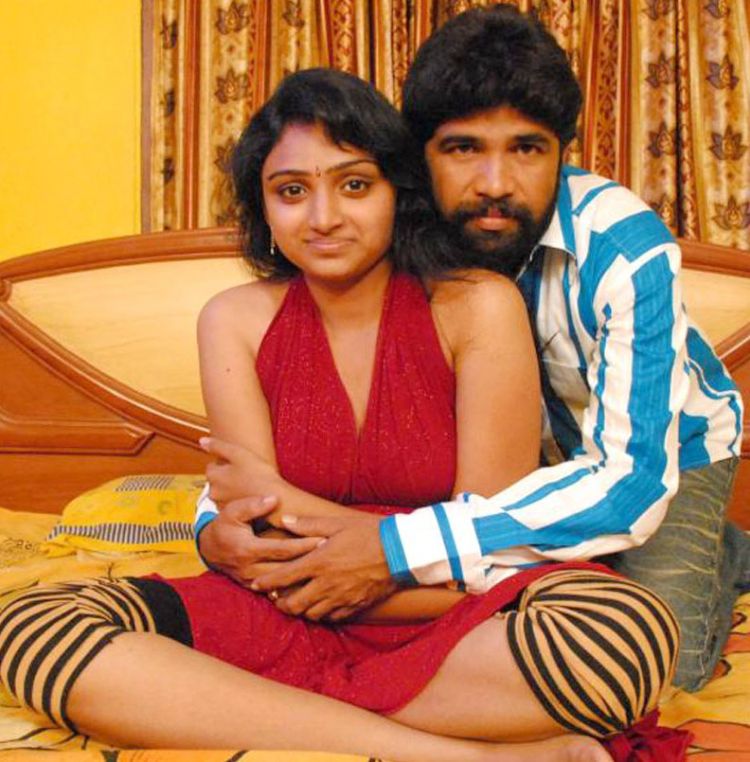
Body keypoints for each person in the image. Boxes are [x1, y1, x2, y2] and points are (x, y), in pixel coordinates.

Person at [0, 68, 680, 762]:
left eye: (355, 185)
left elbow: (486, 549)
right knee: (36, 628)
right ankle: (468, 755)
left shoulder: (478, 304)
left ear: (398, 193)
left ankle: (227, 706)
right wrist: (299, 557)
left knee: (619, 638)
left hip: (452, 618)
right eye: (292, 191)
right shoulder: (233, 320)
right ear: (264, 208)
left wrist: (360, 562)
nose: (323, 218)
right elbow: (260, 539)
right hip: (279, 613)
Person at [198, 4, 747, 694]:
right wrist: (212, 524)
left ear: (563, 152)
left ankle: (725, 553)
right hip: (520, 472)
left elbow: (630, 484)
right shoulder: (385, 224)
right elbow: (263, 452)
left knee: (664, 673)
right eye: (462, 149)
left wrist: (387, 548)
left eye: (526, 149)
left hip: (655, 459)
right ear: (417, 156)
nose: (493, 183)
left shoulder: (624, 248)